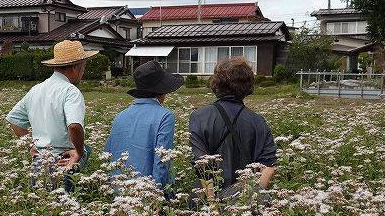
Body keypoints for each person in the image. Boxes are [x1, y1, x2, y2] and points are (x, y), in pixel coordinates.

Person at [6, 39, 98, 192]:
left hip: (38, 163)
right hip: (63, 161)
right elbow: (74, 126)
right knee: (64, 209)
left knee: (42, 209)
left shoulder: (36, 89)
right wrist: (79, 153)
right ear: (75, 67)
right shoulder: (71, 91)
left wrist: (31, 145)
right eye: (83, 67)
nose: (83, 72)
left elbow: (14, 120)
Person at [189, 57, 277, 203]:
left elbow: (203, 166)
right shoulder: (258, 121)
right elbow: (268, 167)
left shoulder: (199, 116)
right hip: (247, 207)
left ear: (216, 84)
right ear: (248, 86)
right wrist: (248, 200)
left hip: (205, 205)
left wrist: (213, 208)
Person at [104, 61, 184, 197]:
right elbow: (162, 161)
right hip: (150, 196)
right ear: (162, 90)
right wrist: (159, 197)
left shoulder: (120, 116)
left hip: (120, 195)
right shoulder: (165, 116)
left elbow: (108, 155)